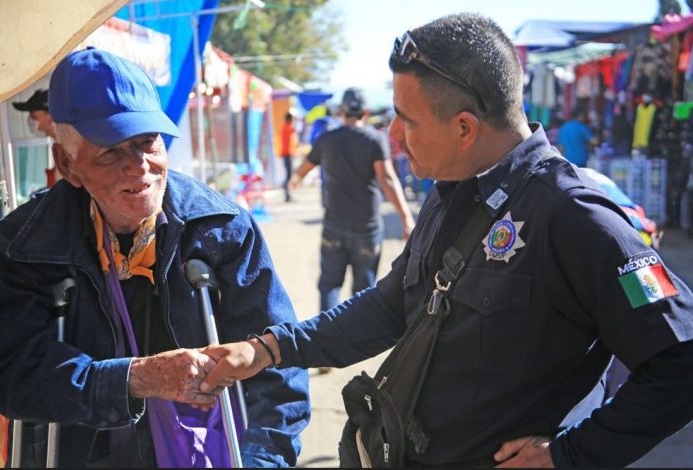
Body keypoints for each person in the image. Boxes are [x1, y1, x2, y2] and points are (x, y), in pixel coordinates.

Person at [198, 13, 693, 468]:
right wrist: (268, 350)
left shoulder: (574, 215)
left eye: (405, 119)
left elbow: (680, 362)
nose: (391, 133)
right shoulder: (451, 190)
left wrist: (571, 454)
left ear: (463, 128)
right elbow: (391, 307)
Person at [0, 48, 309, 467]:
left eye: (148, 142)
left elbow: (278, 364)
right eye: (110, 151)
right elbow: (12, 371)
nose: (140, 167)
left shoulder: (222, 228)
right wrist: (134, 378)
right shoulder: (23, 244)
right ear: (67, 164)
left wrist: (261, 460)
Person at [290, 87, 415, 312]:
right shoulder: (374, 139)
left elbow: (302, 170)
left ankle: (325, 340)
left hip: (333, 226)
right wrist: (406, 217)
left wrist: (295, 180)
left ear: (341, 111)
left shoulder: (327, 139)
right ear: (365, 113)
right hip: (366, 228)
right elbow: (386, 178)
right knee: (363, 293)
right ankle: (357, 343)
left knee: (329, 286)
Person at [12, 88, 60, 187]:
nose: (30, 121)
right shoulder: (58, 145)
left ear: (51, 116)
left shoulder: (70, 146)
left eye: (34, 117)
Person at [279, 112, 298, 202]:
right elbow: (293, 142)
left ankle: (287, 194)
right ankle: (287, 194)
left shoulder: (284, 128)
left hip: (286, 154)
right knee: (289, 176)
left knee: (288, 175)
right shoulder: (290, 129)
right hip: (288, 154)